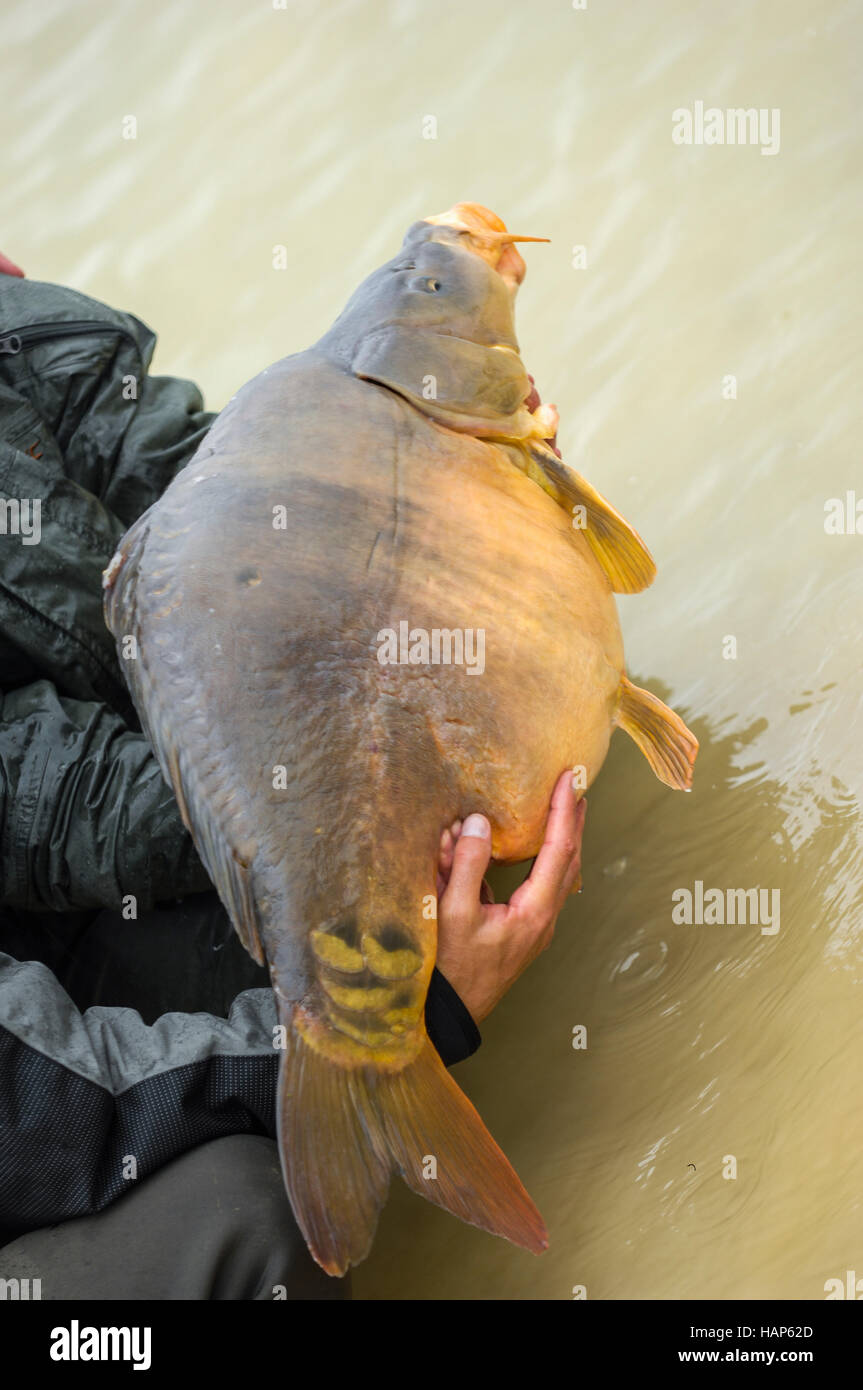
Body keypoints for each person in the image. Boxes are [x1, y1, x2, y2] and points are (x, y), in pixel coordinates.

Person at [0, 252, 586, 1300]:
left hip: (53, 932)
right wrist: (386, 1003)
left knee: (485, 804)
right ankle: (363, 1088)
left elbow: (213, 506)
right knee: (249, 1230)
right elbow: (38, 1102)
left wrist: (445, 501)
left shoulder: (18, 328)